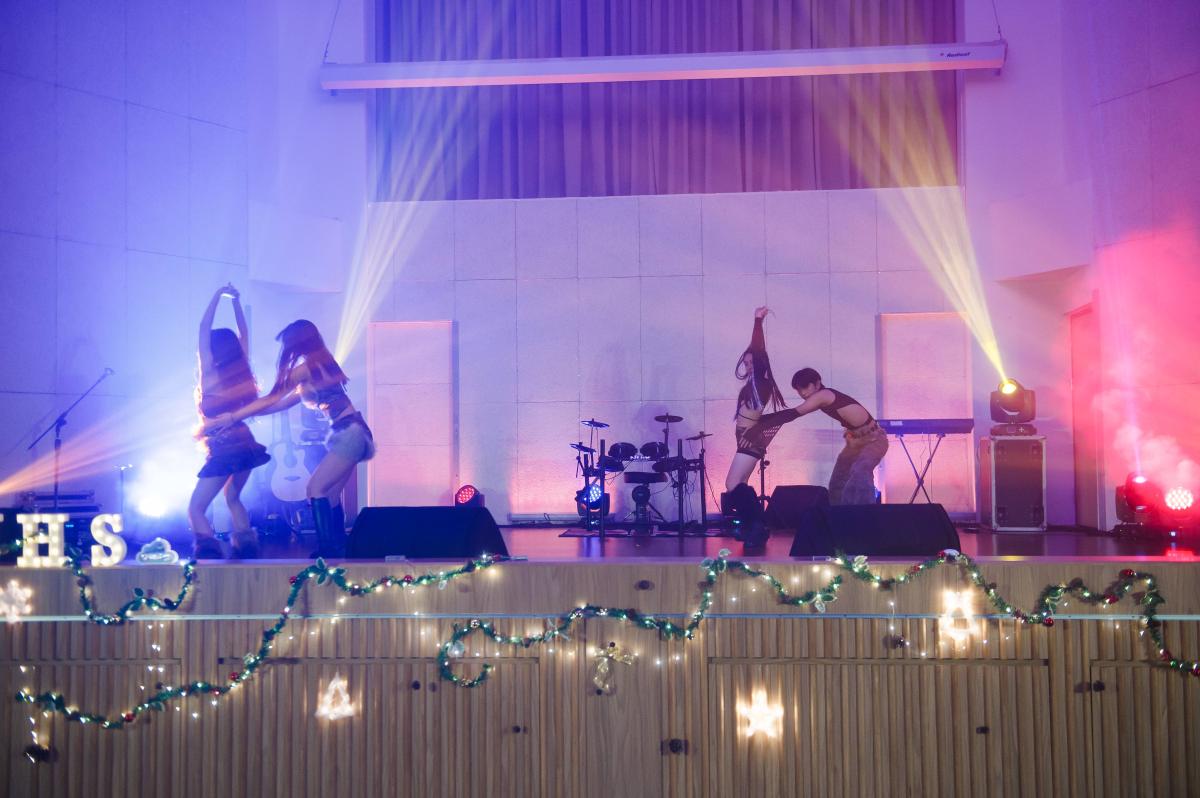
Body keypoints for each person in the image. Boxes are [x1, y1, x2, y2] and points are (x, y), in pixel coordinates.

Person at [203, 320, 374, 558]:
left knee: (314, 488)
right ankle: (340, 549)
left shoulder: (304, 370)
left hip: (349, 433)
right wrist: (245, 413)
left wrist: (233, 416)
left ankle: (328, 550)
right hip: (355, 430)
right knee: (331, 495)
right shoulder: (321, 365)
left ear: (295, 342)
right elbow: (279, 405)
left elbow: (271, 398)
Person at [189, 285, 270, 559]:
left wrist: (218, 295)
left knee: (196, 508)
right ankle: (247, 548)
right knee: (233, 498)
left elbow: (203, 328)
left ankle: (209, 556)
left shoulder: (209, 374)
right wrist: (235, 302)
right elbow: (244, 335)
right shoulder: (240, 370)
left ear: (212, 350)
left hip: (224, 449)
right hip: (245, 444)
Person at [745, 368, 888, 505]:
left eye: (805, 387)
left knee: (860, 471)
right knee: (838, 480)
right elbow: (792, 413)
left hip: (874, 440)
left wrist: (759, 425)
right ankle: (837, 516)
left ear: (817, 384)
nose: (803, 393)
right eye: (799, 390)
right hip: (857, 443)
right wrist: (761, 421)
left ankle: (865, 515)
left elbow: (794, 413)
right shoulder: (822, 396)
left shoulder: (824, 395)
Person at [725, 306, 789, 491]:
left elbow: (758, 348)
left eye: (752, 362)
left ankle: (753, 511)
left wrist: (757, 320)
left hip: (750, 439)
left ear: (760, 362)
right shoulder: (755, 384)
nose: (748, 366)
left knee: (732, 484)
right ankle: (752, 510)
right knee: (740, 485)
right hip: (747, 438)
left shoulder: (761, 383)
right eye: (746, 363)